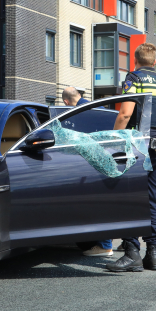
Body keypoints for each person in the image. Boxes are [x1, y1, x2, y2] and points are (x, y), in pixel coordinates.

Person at [107, 43, 156, 272]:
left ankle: (131, 252)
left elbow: (125, 113)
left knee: (129, 196)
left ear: (136, 60)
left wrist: (114, 140)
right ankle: (153, 254)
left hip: (137, 144)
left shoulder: (134, 78)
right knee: (153, 199)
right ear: (154, 61)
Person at [62, 87, 113, 256]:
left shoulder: (76, 114)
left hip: (91, 163)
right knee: (112, 201)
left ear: (66, 102)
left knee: (97, 203)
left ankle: (105, 245)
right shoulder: (101, 109)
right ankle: (128, 243)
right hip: (111, 159)